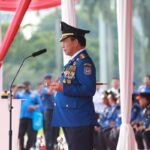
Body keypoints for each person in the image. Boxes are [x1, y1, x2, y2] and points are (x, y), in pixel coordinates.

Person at [50, 21, 97, 150]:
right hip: (71, 119)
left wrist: (63, 88)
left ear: (75, 42)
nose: (62, 46)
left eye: (65, 42)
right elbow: (72, 83)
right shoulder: (74, 62)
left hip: (79, 119)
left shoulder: (83, 63)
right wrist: (59, 85)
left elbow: (89, 89)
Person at [15, 81, 41, 150]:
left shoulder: (34, 94)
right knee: (20, 135)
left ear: (30, 86)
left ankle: (27, 148)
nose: (26, 87)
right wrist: (16, 88)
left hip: (30, 117)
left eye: (27, 85)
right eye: (25, 85)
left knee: (31, 135)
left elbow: (40, 104)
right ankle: (21, 148)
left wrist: (34, 107)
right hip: (22, 117)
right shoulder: (20, 94)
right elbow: (13, 98)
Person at [40, 74, 59, 150]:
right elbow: (49, 92)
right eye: (48, 79)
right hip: (48, 111)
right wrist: (55, 82)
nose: (49, 80)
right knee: (49, 129)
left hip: (54, 110)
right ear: (45, 80)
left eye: (50, 79)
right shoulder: (43, 87)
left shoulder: (52, 87)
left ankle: (54, 144)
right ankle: (49, 146)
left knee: (55, 129)